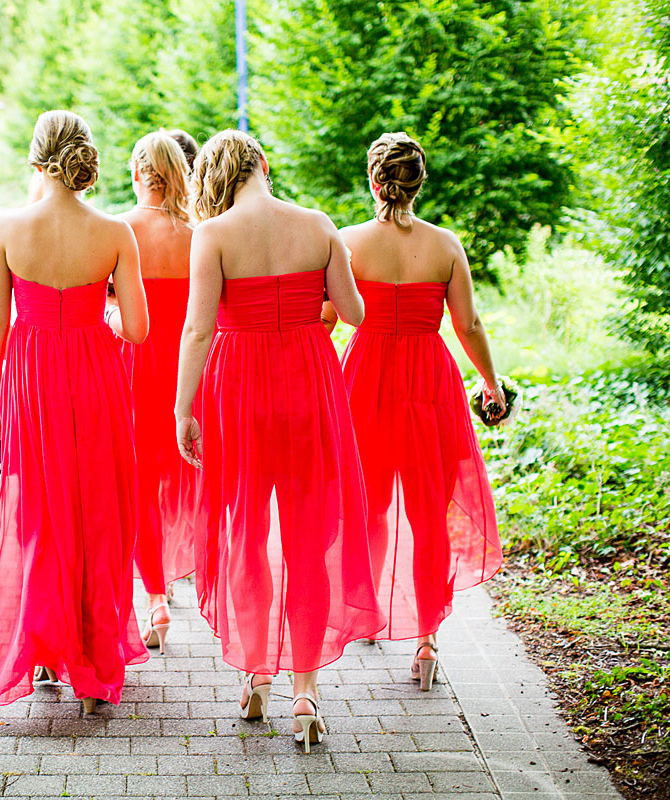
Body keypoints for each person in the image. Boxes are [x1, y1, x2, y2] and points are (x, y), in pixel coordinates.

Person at [174, 130, 383, 751]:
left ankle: (257, 672)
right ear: (264, 165)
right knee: (306, 535)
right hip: (309, 386)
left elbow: (196, 328)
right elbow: (353, 312)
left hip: (239, 390)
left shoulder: (212, 235)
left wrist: (184, 409)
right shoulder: (319, 225)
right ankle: (306, 691)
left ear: (216, 177)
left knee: (247, 531)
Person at [0, 110, 150, 714]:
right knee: (97, 512)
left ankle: (44, 649)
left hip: (33, 378)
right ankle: (94, 666)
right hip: (96, 375)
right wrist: (104, 317)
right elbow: (139, 329)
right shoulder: (116, 231)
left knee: (40, 510)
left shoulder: (9, 227)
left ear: (37, 158)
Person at [326, 132, 505, 690]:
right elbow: (467, 324)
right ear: (418, 182)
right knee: (429, 508)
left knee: (368, 501)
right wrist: (491, 383)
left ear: (374, 181)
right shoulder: (445, 245)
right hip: (430, 378)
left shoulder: (347, 242)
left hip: (367, 377)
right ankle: (426, 642)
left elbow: (327, 317)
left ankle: (365, 612)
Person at [116, 131, 199, 654]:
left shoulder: (121, 227)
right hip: (188, 362)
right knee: (187, 471)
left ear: (144, 172)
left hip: (136, 359)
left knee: (141, 480)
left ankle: (155, 598)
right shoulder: (199, 232)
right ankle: (204, 578)